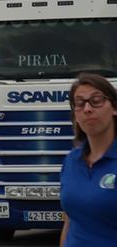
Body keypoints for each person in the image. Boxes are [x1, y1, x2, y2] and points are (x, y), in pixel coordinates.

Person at [59, 73, 117, 246]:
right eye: (79, 103)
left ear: (114, 107)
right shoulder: (71, 162)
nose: (87, 109)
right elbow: (69, 223)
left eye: (96, 100)